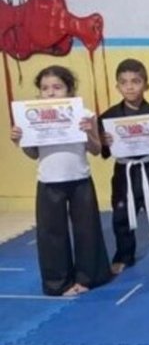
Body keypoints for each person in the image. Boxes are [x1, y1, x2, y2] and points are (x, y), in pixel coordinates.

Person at [9, 66, 111, 296]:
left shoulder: (84, 113)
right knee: (51, 233)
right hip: (48, 180)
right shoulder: (32, 116)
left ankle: (89, 277)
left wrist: (89, 132)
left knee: (87, 230)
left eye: (57, 87)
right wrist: (20, 140)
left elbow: (96, 150)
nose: (51, 92)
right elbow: (33, 153)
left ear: (69, 90)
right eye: (45, 88)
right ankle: (58, 282)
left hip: (80, 178)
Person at [98, 58, 149, 274]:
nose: (130, 87)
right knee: (121, 217)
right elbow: (103, 152)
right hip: (124, 172)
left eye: (135, 81)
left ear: (146, 85)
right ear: (117, 86)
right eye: (124, 82)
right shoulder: (108, 117)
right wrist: (104, 142)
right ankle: (124, 255)